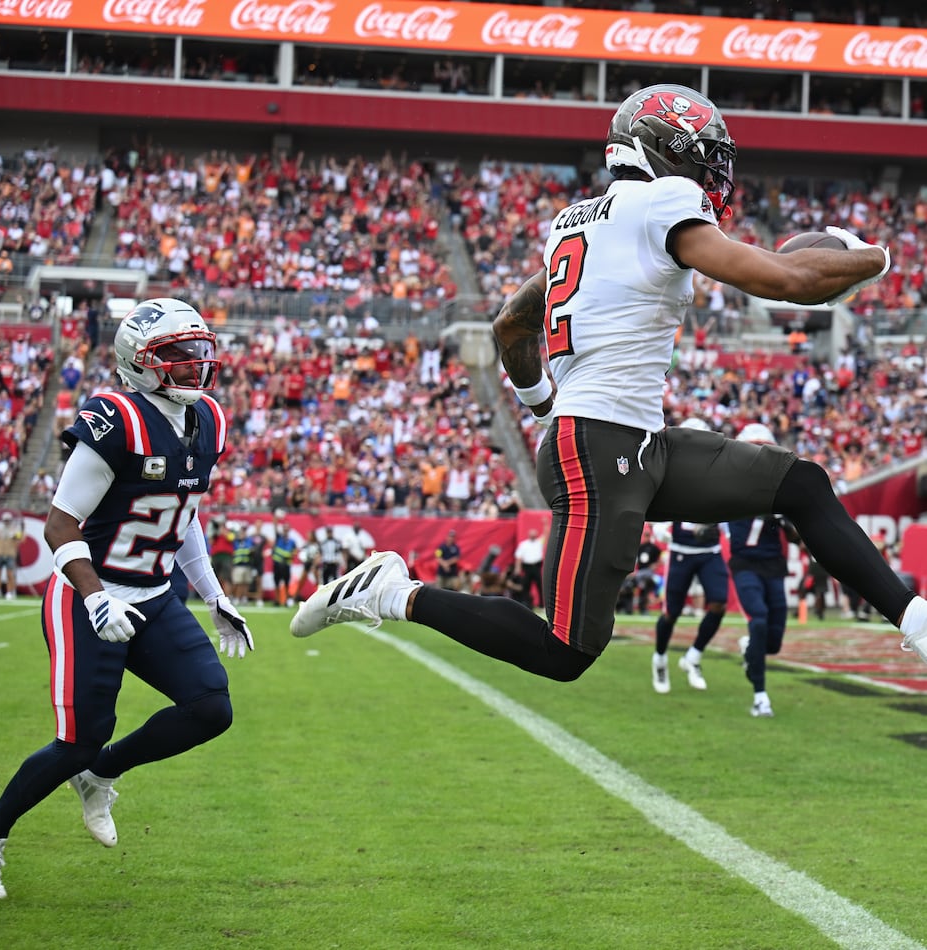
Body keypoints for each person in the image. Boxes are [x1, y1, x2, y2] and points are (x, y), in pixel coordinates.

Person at [288, 83, 927, 691]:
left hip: (626, 441)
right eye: (703, 159)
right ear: (665, 150)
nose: (711, 177)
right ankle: (394, 593)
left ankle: (917, 622)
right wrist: (874, 258)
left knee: (800, 484)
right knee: (564, 652)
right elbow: (783, 282)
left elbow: (511, 324)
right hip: (601, 447)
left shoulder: (574, 222)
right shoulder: (661, 203)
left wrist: (543, 410)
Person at [0, 297, 253, 900]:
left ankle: (103, 773)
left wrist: (213, 593)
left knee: (211, 707)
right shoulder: (116, 416)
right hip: (87, 595)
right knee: (79, 736)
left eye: (199, 352)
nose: (196, 366)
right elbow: (59, 524)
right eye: (178, 357)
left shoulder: (206, 418)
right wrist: (97, 597)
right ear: (142, 363)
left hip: (154, 596)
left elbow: (183, 513)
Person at [652, 420, 729, 694]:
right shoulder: (669, 467)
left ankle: (693, 657)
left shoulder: (718, 470)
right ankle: (659, 658)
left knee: (719, 602)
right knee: (671, 612)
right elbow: (653, 498)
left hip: (710, 550)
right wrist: (661, 526)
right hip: (682, 550)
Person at [729, 424, 800, 717]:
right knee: (758, 621)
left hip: (773, 566)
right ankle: (760, 697)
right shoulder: (728, 487)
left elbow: (797, 538)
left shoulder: (780, 492)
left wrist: (786, 519)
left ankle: (751, 652)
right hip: (745, 563)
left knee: (772, 642)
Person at [513, 527, 544, 608]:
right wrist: (518, 568)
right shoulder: (524, 544)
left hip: (536, 566)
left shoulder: (539, 542)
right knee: (526, 586)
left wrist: (545, 524)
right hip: (527, 567)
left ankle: (541, 604)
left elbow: (546, 535)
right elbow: (519, 557)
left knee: (540, 586)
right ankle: (527, 603)